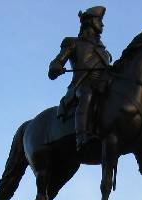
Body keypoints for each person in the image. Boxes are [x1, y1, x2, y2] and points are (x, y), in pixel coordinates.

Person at [48, 6, 112, 150]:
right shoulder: (73, 42)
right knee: (87, 94)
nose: (102, 24)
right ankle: (81, 137)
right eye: (99, 20)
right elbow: (57, 61)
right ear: (90, 21)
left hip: (102, 84)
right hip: (82, 85)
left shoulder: (103, 51)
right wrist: (55, 67)